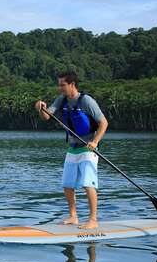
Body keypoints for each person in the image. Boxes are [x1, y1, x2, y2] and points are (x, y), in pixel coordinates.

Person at [35, 72, 108, 229]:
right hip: (73, 148)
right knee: (67, 184)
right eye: (59, 84)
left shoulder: (86, 101)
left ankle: (93, 219)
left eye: (63, 85)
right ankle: (73, 216)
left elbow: (103, 122)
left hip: (88, 148)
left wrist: (95, 142)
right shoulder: (61, 100)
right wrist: (41, 109)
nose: (60, 87)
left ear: (72, 84)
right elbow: (47, 117)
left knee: (88, 183)